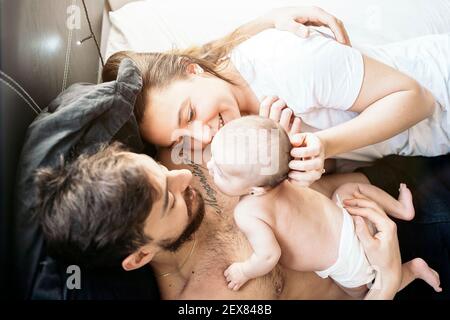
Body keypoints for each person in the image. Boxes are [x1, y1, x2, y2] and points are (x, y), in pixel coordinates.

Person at [102, 8, 449, 188]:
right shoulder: (222, 98)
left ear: (193, 70)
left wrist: (319, 145)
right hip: (425, 146)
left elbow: (417, 99)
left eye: (189, 114)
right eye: (182, 139)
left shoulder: (288, 63)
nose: (203, 136)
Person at [34, 142, 405, 300]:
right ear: (140, 255)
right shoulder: (209, 301)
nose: (184, 178)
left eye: (160, 170)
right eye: (169, 200)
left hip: (383, 183)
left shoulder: (182, 152)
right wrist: (387, 280)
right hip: (393, 273)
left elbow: (203, 74)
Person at [206, 115, 441, 297]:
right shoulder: (286, 175)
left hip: (348, 261)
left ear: (256, 190)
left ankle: (412, 270)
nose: (209, 165)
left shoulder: (246, 212)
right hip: (351, 216)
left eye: (221, 171)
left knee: (362, 291)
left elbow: (269, 255)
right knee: (349, 190)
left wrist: (244, 270)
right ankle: (400, 209)